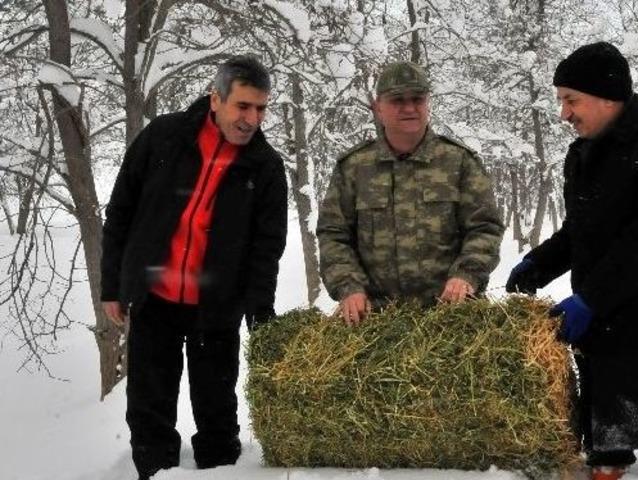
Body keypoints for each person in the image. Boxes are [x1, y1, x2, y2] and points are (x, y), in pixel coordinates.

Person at [506, 42, 638, 480]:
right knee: (606, 437)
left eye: (571, 100)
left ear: (607, 96)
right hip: (603, 315)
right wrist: (537, 265)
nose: (564, 113)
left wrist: (591, 299)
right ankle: (609, 465)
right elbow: (582, 230)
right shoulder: (581, 154)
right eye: (562, 100)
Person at [100, 56, 288, 480]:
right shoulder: (165, 137)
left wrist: (260, 311)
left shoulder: (266, 167)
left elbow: (267, 248)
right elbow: (122, 212)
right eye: (243, 106)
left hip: (217, 309)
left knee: (217, 411)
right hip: (155, 300)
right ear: (216, 98)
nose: (252, 119)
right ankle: (154, 472)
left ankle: (220, 473)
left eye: (261, 108)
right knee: (149, 407)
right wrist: (113, 285)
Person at [317, 61, 504, 323]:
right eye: (397, 100)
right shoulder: (355, 168)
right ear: (378, 107)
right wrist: (349, 287)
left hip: (450, 315)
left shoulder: (459, 162)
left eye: (417, 99)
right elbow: (334, 234)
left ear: (427, 103)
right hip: (375, 319)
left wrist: (465, 275)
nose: (409, 108)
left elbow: (485, 228)